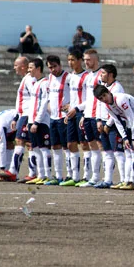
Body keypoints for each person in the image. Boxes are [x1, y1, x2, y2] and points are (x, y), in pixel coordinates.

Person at [94, 84, 134, 190]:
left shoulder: (120, 99)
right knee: (128, 153)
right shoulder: (107, 105)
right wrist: (125, 137)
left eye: (104, 96)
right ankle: (126, 180)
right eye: (101, 99)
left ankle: (133, 182)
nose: (104, 99)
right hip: (129, 124)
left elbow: (132, 117)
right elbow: (117, 121)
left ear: (108, 92)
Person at [0, 57, 37, 183]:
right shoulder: (25, 79)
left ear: (24, 66)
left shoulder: (30, 79)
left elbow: (34, 98)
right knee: (27, 143)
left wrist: (31, 117)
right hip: (23, 114)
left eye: (16, 65)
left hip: (27, 115)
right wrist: (16, 117)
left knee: (21, 141)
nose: (14, 67)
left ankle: (15, 172)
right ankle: (30, 173)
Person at [60, 50, 91, 186]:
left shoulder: (87, 76)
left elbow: (89, 99)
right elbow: (71, 96)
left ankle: (87, 176)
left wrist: (78, 109)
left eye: (73, 60)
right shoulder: (70, 77)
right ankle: (74, 176)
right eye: (68, 60)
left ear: (80, 60)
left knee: (84, 144)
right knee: (70, 144)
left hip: (81, 113)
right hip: (71, 113)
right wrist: (68, 106)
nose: (70, 63)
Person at [97, 64, 129, 190]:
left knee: (118, 153)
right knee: (107, 153)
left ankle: (123, 180)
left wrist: (108, 124)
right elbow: (100, 105)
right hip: (103, 123)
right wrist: (99, 120)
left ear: (110, 74)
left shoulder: (117, 88)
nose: (101, 75)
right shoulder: (103, 87)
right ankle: (108, 179)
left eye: (103, 73)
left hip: (114, 124)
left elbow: (117, 108)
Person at [76, 49, 103, 187]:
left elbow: (103, 98)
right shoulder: (87, 76)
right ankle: (95, 177)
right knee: (92, 145)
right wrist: (84, 114)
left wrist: (101, 117)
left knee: (101, 146)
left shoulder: (101, 75)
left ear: (95, 60)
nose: (86, 62)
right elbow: (88, 98)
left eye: (88, 59)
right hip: (88, 115)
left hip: (98, 116)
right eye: (85, 59)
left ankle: (105, 177)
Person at [45, 55, 71, 185]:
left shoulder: (68, 77)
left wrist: (70, 105)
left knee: (67, 147)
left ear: (60, 65)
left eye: (54, 66)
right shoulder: (49, 78)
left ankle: (70, 175)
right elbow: (50, 95)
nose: (53, 69)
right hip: (53, 117)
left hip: (63, 118)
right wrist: (49, 105)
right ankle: (59, 175)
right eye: (50, 67)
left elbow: (78, 94)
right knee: (55, 147)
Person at [25, 58, 52, 185]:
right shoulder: (35, 83)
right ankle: (41, 175)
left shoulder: (45, 83)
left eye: (31, 67)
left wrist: (37, 121)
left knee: (44, 148)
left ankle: (48, 175)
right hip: (33, 120)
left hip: (40, 122)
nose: (28, 70)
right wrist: (30, 120)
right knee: (35, 148)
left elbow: (44, 103)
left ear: (38, 68)